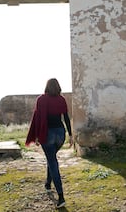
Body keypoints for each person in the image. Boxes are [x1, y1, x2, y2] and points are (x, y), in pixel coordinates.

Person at [26, 78, 73, 209]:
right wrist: (70, 135)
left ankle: (61, 196)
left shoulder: (41, 100)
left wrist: (35, 135)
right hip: (60, 134)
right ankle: (48, 183)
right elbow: (67, 119)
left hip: (47, 134)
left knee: (52, 161)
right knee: (51, 157)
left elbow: (37, 118)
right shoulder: (61, 99)